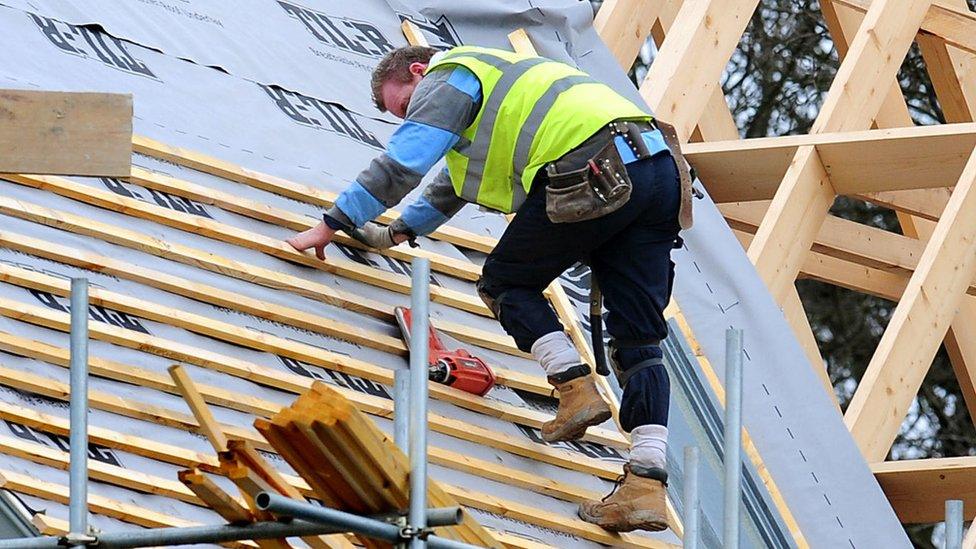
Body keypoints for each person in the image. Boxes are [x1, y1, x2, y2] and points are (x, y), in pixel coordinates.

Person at [287, 44, 692, 533]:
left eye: (404, 107)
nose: (410, 117)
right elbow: (454, 183)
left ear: (418, 71)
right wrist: (395, 232)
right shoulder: (501, 88)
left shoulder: (451, 75)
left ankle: (574, 388)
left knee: (505, 282)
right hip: (659, 169)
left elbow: (403, 164)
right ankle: (646, 483)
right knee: (640, 343)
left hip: (593, 164)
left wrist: (332, 222)